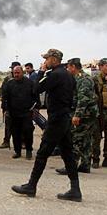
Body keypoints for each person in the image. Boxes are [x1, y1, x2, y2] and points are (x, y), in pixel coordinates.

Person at [11, 49, 81, 201]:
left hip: (56, 119)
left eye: (47, 59)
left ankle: (31, 186)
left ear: (54, 59)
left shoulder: (54, 74)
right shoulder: (69, 75)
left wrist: (42, 72)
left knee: (43, 153)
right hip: (65, 118)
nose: (45, 62)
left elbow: (35, 89)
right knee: (68, 154)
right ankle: (75, 189)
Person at [56, 58, 98, 174]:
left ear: (73, 67)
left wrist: (77, 115)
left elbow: (83, 99)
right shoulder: (79, 78)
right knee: (86, 139)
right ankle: (85, 165)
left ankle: (71, 166)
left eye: (68, 67)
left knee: (76, 138)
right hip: (88, 113)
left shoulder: (83, 79)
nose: (67, 69)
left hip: (85, 114)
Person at [2, 64, 38, 159]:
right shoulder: (9, 84)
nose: (16, 75)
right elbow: (5, 98)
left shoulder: (30, 83)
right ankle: (17, 151)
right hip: (13, 113)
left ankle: (29, 151)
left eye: (18, 73)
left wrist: (34, 108)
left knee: (28, 132)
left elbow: (35, 97)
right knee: (15, 133)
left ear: (22, 72)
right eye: (15, 73)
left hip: (26, 113)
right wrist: (5, 110)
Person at [0, 61, 21, 149]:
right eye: (12, 68)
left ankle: (22, 142)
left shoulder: (24, 79)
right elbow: (2, 89)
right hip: (8, 106)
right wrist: (1, 97)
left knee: (20, 125)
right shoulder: (8, 78)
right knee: (8, 124)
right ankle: (6, 141)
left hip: (19, 107)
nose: (13, 70)